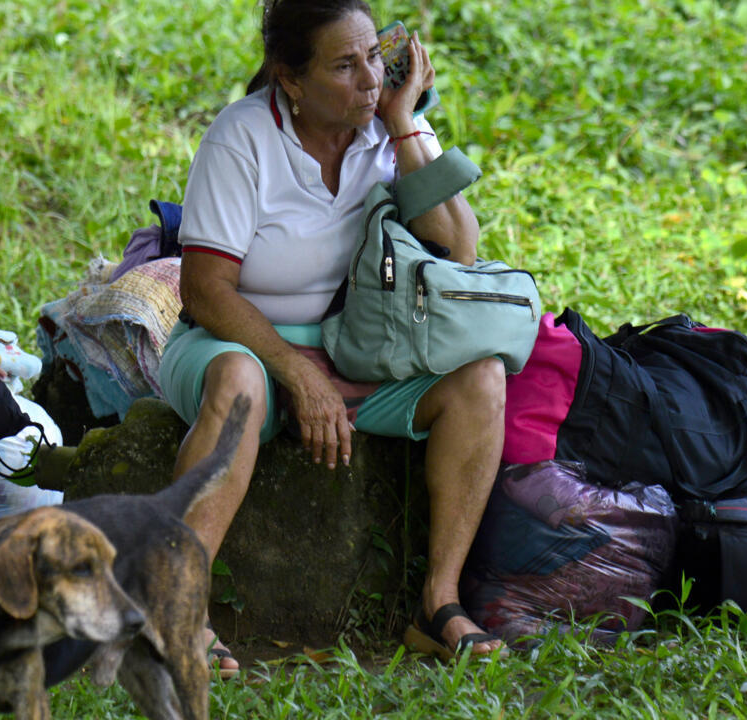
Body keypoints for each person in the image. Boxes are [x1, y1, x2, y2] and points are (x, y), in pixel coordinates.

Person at [158, 0, 506, 675]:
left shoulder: (387, 126)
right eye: (344, 67)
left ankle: (437, 606)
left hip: (353, 345)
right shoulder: (242, 138)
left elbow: (460, 246)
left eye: (374, 56)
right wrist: (296, 369)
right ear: (289, 79)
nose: (369, 80)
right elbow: (205, 291)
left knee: (480, 377)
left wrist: (403, 122)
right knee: (238, 384)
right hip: (232, 342)